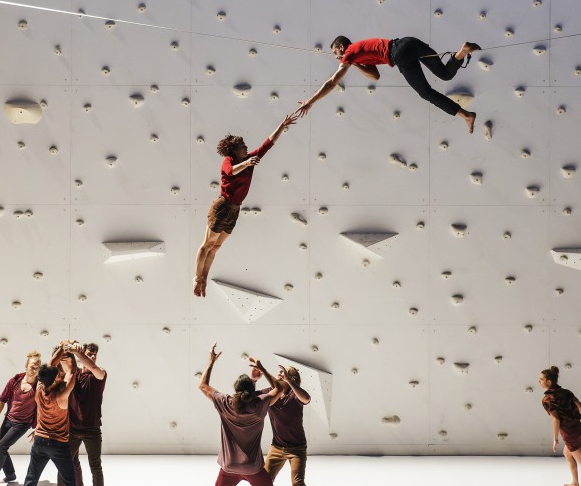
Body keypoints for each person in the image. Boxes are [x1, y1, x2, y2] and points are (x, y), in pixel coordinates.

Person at [190, 344, 281, 486]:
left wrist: (211, 361)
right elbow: (279, 389)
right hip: (253, 468)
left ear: (236, 390)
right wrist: (263, 370)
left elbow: (203, 385)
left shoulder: (225, 402)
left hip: (228, 467)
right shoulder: (260, 405)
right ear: (251, 391)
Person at [194, 114, 297, 297]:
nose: (247, 148)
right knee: (207, 244)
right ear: (234, 151)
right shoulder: (230, 161)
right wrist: (247, 162)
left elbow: (268, 144)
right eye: (243, 147)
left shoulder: (250, 161)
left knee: (216, 247)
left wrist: (282, 125)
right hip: (223, 206)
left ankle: (204, 279)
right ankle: (197, 277)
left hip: (235, 209)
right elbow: (230, 172)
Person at [292, 36, 481, 133]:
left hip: (399, 53)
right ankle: (463, 50)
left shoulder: (349, 51)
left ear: (341, 47)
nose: (338, 58)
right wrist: (356, 63)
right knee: (445, 74)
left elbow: (332, 82)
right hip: (409, 42)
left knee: (425, 92)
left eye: (336, 53)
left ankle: (465, 115)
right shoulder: (359, 52)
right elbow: (375, 76)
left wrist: (310, 101)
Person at [15, 342, 91, 486]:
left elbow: (49, 367)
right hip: (58, 444)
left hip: (40, 441)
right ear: (56, 378)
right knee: (69, 480)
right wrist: (70, 353)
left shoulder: (40, 389)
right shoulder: (62, 395)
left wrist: (60, 351)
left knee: (31, 478)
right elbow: (72, 373)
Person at [250, 357, 323, 486]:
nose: (280, 374)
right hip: (277, 447)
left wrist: (290, 381)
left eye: (284, 372)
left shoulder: (296, 395)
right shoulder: (271, 392)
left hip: (297, 448)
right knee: (264, 483)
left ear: (292, 378)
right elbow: (249, 397)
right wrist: (253, 380)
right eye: (279, 373)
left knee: (297, 483)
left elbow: (307, 398)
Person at [44, 343, 107, 486]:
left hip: (92, 429)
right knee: (63, 463)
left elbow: (92, 366)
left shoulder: (99, 373)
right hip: (71, 428)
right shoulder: (73, 374)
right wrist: (65, 347)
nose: (92, 357)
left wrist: (78, 352)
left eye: (94, 354)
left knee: (95, 466)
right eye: (89, 353)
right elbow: (54, 366)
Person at [0, 350, 41, 486]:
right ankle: (10, 475)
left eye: (38, 367)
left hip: (22, 424)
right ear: (26, 366)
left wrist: (38, 428)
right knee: (0, 448)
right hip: (8, 420)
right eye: (32, 366)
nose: (35, 369)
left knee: (2, 446)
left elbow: (43, 409)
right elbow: (2, 400)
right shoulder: (14, 381)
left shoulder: (40, 386)